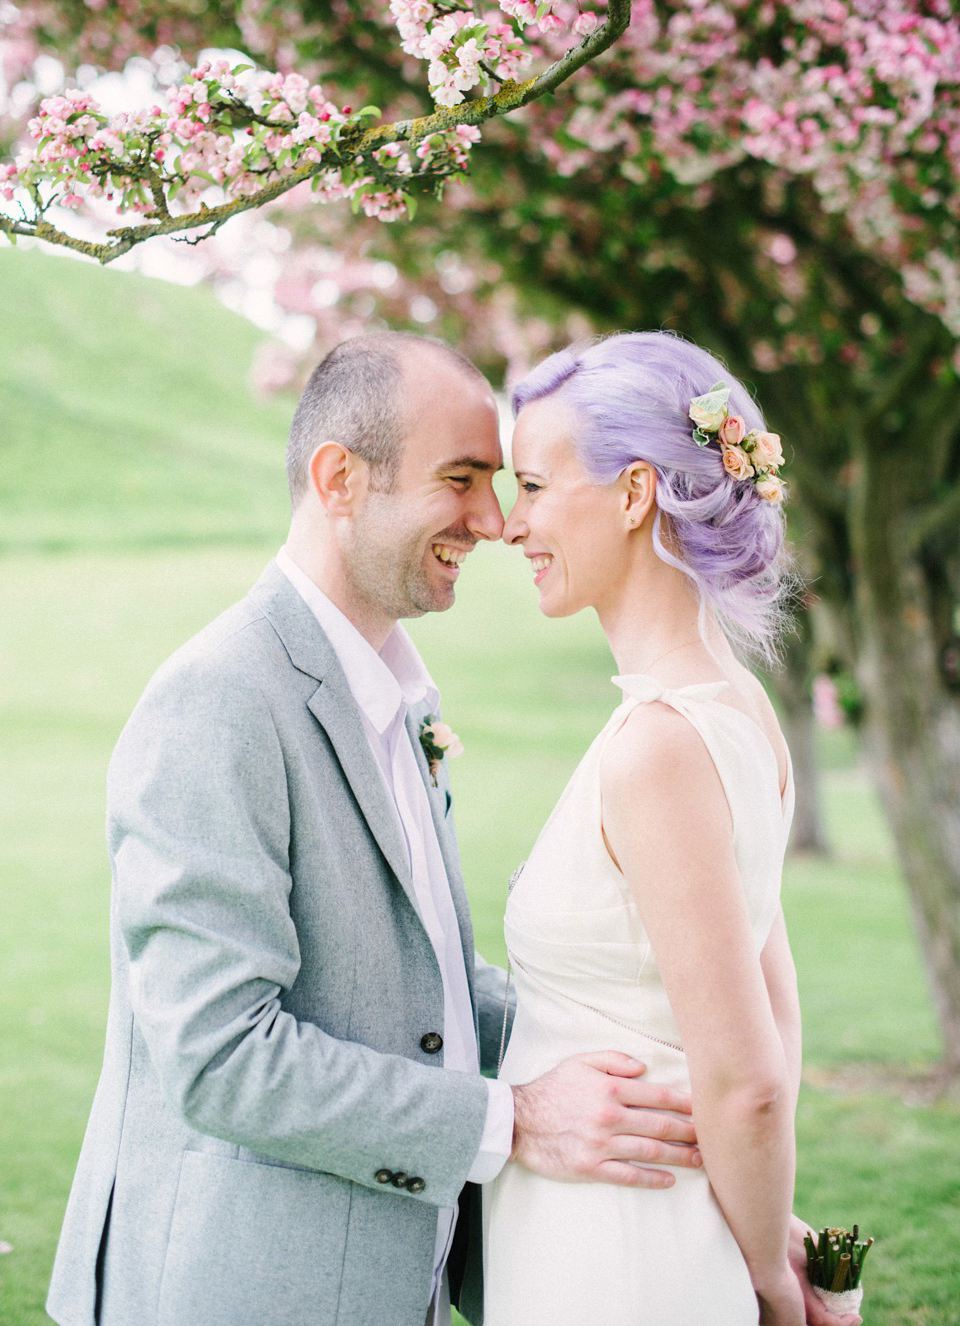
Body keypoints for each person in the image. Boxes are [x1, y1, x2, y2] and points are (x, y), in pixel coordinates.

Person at [46, 332, 703, 1326]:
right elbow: (224, 1058)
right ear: (339, 477)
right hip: (239, 1292)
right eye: (462, 478)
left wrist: (637, 1066)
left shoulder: (392, 694)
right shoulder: (220, 701)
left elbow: (416, 981)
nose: (492, 520)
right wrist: (516, 1119)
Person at [483, 331, 863, 1326]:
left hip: (620, 1263)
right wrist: (765, 1227)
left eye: (532, 485)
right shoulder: (739, 713)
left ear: (634, 493)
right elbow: (775, 1027)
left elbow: (748, 1082)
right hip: (639, 1242)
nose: (509, 524)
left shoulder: (658, 749)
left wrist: (779, 1284)